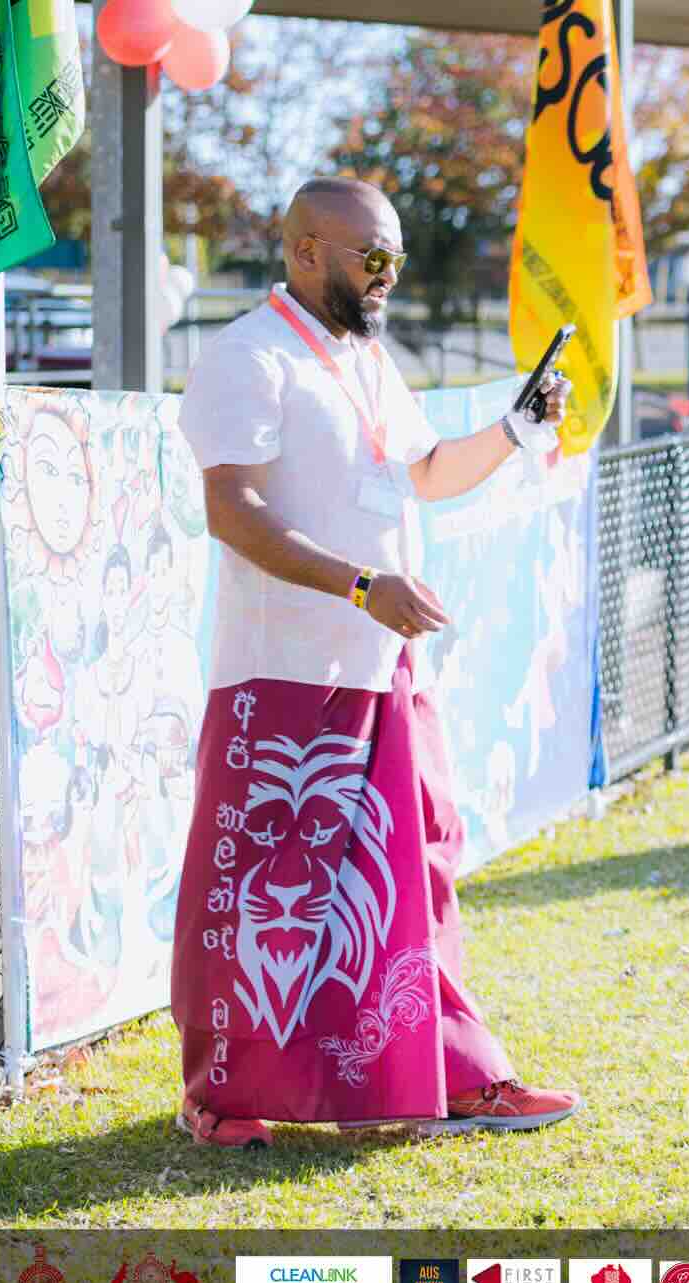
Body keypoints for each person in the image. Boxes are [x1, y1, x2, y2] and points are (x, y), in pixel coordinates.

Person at [169, 177, 580, 1149]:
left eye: (394, 257)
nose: (388, 275)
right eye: (372, 257)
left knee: (417, 871)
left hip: (384, 668)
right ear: (306, 250)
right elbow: (231, 510)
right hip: (282, 674)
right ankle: (220, 1097)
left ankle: (462, 1080)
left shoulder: (364, 357)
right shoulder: (247, 355)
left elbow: (427, 473)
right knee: (260, 893)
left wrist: (514, 432)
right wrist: (362, 585)